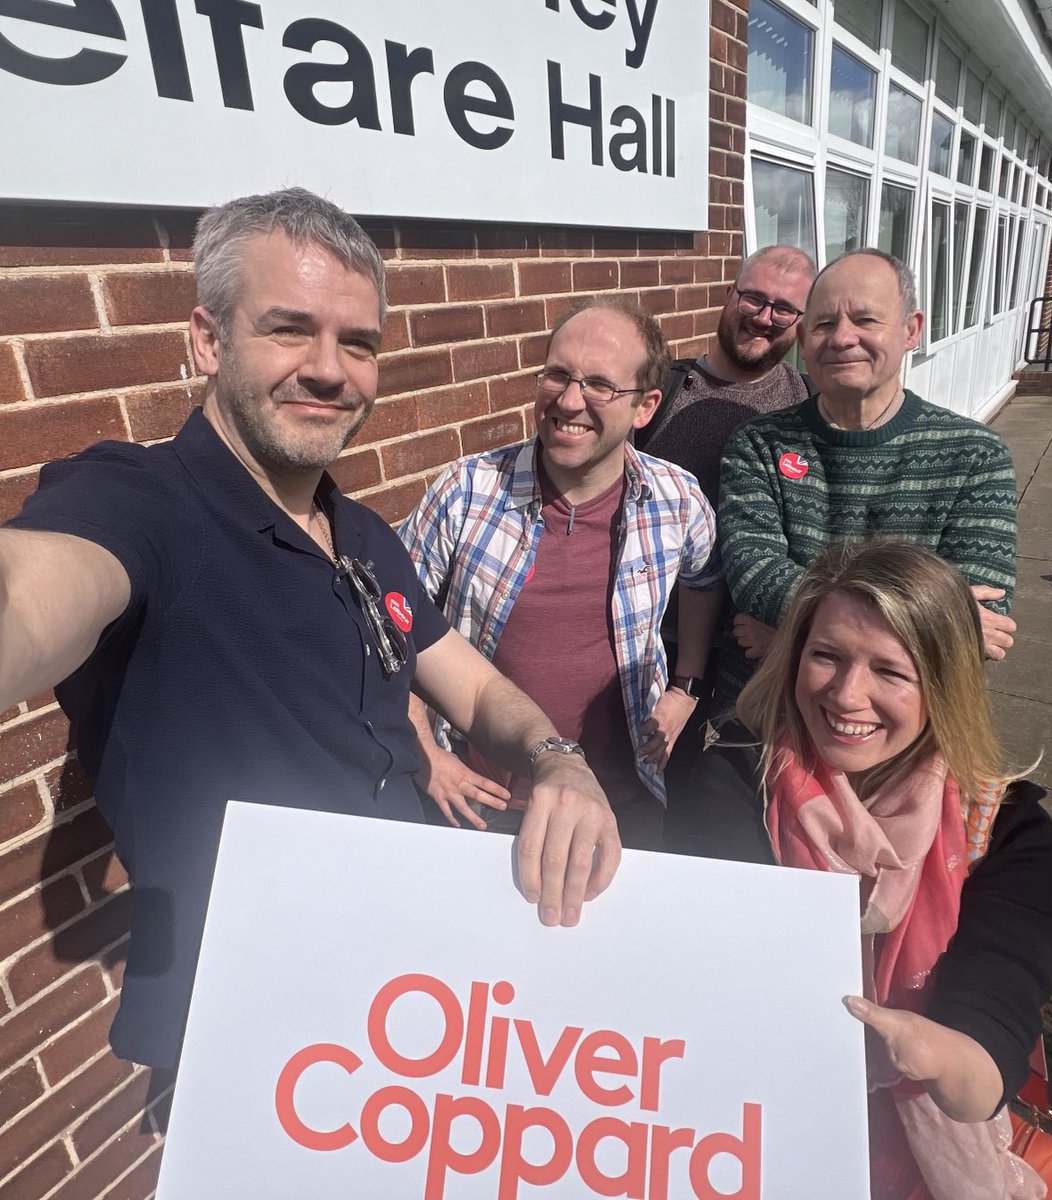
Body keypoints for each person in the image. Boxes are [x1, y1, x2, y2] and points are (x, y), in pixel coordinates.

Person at [0, 188, 620, 1071]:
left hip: (415, 998)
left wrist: (560, 760)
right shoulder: (140, 505)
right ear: (208, 340)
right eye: (289, 329)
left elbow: (471, 685)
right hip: (259, 1041)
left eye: (357, 342)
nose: (329, 369)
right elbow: (30, 590)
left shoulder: (364, 535)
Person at [737, 539, 1052, 1199]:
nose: (845, 695)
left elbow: (993, 1026)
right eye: (826, 656)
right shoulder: (737, 777)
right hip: (744, 1130)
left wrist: (932, 1053)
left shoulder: (1008, 833)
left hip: (911, 1161)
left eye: (889, 670)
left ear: (941, 682)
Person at [399, 297, 724, 851]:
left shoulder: (677, 500)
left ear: (645, 407)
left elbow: (703, 579)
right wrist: (424, 752)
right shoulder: (465, 493)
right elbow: (389, 625)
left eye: (600, 385)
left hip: (625, 798)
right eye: (557, 375)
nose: (570, 401)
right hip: (482, 802)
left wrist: (685, 687)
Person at [714, 248, 1018, 710]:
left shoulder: (974, 454)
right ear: (801, 336)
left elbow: (980, 623)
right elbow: (755, 576)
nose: (841, 338)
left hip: (902, 726)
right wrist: (928, 617)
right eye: (822, 324)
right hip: (767, 714)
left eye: (865, 320)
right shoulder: (759, 443)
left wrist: (785, 636)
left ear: (911, 330)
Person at [638, 244, 817, 507]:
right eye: (753, 299)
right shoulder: (658, 389)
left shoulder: (811, 403)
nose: (764, 318)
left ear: (800, 322)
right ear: (729, 295)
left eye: (783, 309)